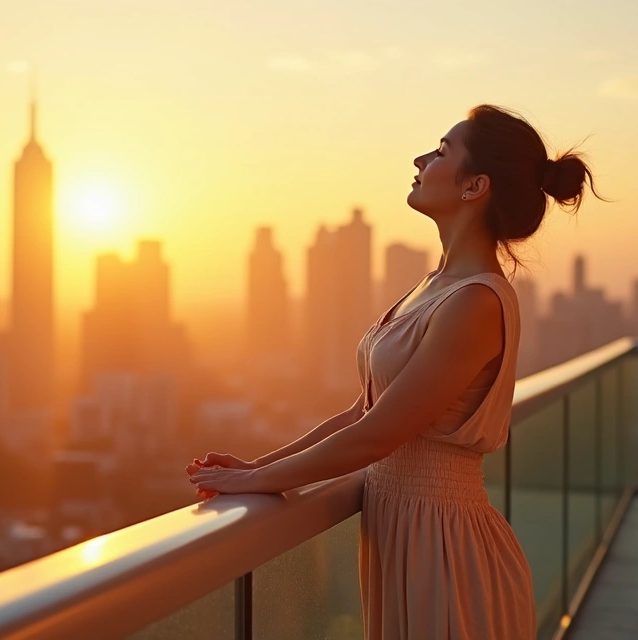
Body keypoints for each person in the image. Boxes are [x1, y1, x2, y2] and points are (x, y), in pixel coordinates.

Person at [187, 104, 596, 640]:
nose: (421, 159)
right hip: (405, 531)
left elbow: (378, 435)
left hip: (444, 545)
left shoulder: (475, 301)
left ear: (475, 186)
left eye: (442, 151)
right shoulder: (435, 286)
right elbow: (364, 412)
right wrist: (261, 466)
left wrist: (258, 481)